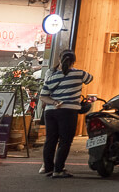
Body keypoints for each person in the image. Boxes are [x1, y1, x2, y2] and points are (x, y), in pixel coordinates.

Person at [39, 49, 93, 177]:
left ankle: (48, 168)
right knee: (65, 141)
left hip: (50, 112)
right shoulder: (79, 74)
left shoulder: (52, 76)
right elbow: (90, 79)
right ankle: (58, 169)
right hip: (68, 111)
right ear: (73, 61)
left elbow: (43, 96)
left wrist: (53, 102)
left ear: (59, 59)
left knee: (50, 140)